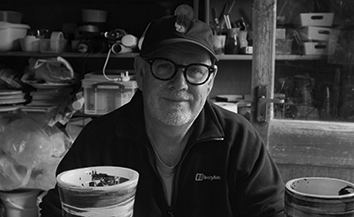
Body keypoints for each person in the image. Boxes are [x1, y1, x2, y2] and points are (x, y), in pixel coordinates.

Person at [40, 14, 284, 217]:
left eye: (196, 71)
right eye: (164, 66)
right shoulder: (99, 139)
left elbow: (271, 212)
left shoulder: (239, 140)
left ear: (210, 82)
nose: (179, 84)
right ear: (141, 73)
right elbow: (56, 209)